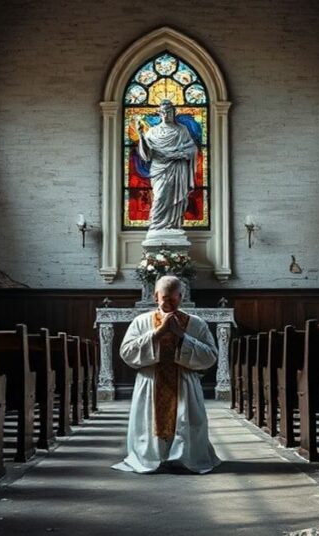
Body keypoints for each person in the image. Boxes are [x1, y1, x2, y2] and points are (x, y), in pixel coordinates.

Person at [112, 275, 222, 474]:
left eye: (174, 298)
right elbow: (126, 352)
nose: (169, 302)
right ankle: (153, 456)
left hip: (184, 383)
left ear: (181, 296)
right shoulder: (141, 322)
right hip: (151, 381)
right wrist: (157, 333)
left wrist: (182, 336)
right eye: (165, 298)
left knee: (185, 420)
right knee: (149, 423)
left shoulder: (196, 324)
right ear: (156, 296)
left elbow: (211, 356)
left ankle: (183, 457)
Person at [134, 100, 198, 231]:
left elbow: (192, 149)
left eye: (169, 111)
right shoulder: (152, 131)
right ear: (159, 113)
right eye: (163, 112)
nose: (166, 114)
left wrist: (178, 153)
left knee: (177, 199)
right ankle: (156, 227)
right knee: (160, 196)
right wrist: (141, 135)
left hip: (177, 169)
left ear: (174, 112)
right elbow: (147, 154)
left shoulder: (182, 130)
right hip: (159, 169)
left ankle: (173, 225)